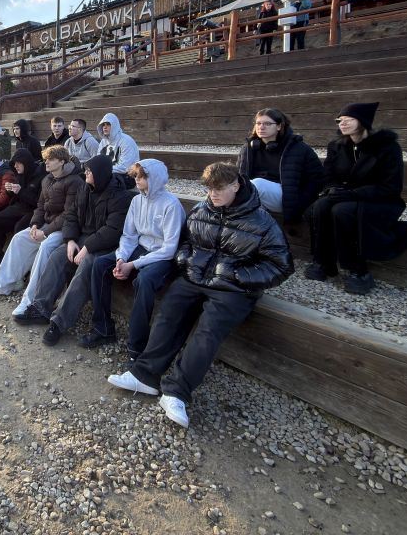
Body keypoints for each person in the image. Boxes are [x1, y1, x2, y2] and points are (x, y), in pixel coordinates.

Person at [106, 162, 293, 428]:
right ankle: (145, 375)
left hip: (233, 289)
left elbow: (281, 265)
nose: (213, 194)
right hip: (196, 277)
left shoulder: (262, 221)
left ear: (236, 185)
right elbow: (184, 243)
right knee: (168, 314)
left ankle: (176, 392)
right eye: (209, 188)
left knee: (207, 332)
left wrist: (240, 277)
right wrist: (187, 263)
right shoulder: (201, 210)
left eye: (219, 188)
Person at [304, 102, 407, 295]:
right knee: (320, 206)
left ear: (363, 121)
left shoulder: (388, 148)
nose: (342, 123)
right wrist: (332, 189)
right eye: (340, 120)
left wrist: (352, 194)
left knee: (343, 210)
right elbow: (328, 176)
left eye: (349, 119)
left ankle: (357, 269)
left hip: (380, 200)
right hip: (345, 195)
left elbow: (390, 187)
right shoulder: (337, 146)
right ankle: (323, 261)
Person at [82, 160, 185, 358]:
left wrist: (133, 264)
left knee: (144, 281)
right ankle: (103, 328)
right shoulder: (136, 201)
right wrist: (121, 258)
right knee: (100, 264)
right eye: (136, 176)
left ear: (154, 178)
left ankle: (136, 347)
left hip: (163, 257)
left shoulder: (171, 204)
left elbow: (170, 249)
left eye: (142, 176)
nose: (137, 180)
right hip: (140, 248)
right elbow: (129, 235)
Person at [36, 156, 136, 343]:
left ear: (100, 173)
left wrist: (87, 247)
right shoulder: (84, 187)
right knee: (58, 255)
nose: (86, 173)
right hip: (82, 238)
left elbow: (112, 231)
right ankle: (40, 307)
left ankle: (59, 322)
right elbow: (72, 215)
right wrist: (71, 239)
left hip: (104, 245)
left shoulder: (119, 196)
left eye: (90, 171)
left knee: (86, 267)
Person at [0, 145, 83, 300]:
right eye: (46, 159)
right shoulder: (47, 179)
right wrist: (35, 224)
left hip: (64, 229)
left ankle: (32, 297)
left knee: (45, 246)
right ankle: (4, 284)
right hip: (46, 225)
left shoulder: (74, 181)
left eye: (51, 159)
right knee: (20, 238)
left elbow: (69, 214)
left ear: (62, 161)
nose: (46, 162)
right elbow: (40, 206)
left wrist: (45, 232)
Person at [236, 108, 323, 223]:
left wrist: (300, 203)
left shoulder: (298, 148)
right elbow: (239, 175)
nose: (261, 127)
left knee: (257, 184)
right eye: (258, 123)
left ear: (279, 126)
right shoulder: (248, 148)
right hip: (256, 197)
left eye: (267, 124)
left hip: (288, 198)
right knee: (224, 187)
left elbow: (317, 179)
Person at [0, 148, 45, 274]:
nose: (15, 166)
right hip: (18, 207)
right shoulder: (19, 174)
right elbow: (16, 196)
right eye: (14, 163)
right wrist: (11, 190)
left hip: (33, 211)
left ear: (25, 162)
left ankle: (19, 271)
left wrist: (20, 191)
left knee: (19, 228)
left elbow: (38, 202)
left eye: (18, 163)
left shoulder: (40, 176)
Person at [96, 112, 140, 185]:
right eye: (103, 124)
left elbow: (124, 167)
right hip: (110, 172)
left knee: (107, 181)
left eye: (108, 124)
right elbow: (98, 159)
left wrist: (104, 170)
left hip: (128, 176)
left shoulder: (126, 141)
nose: (105, 127)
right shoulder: (103, 142)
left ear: (115, 125)